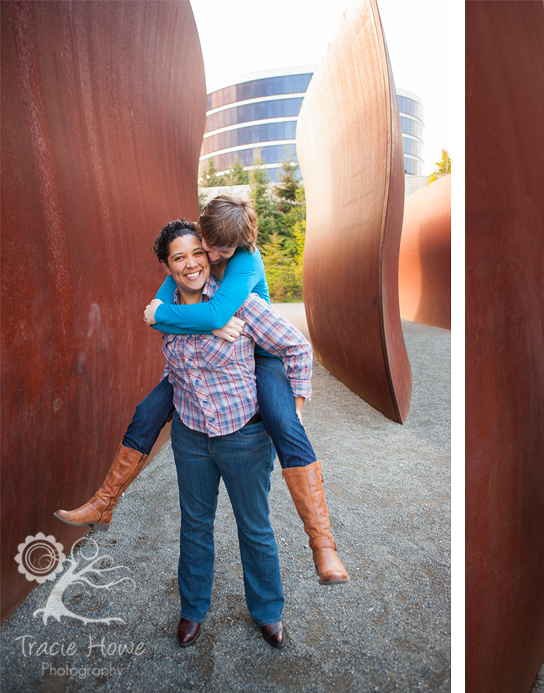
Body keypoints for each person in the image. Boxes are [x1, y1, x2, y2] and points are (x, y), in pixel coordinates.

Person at [55, 194, 348, 586]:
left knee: (285, 422)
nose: (209, 254)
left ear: (239, 245)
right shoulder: (196, 248)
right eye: (204, 244)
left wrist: (296, 400)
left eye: (216, 249)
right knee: (147, 412)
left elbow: (213, 313)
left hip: (261, 352)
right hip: (212, 356)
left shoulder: (243, 260)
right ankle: (104, 502)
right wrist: (185, 319)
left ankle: (322, 544)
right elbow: (161, 309)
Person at [148, 219, 312, 647]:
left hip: (244, 435)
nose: (190, 264)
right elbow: (175, 366)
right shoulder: (164, 314)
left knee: (254, 526)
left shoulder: (237, 300)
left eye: (196, 254)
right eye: (178, 258)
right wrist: (205, 326)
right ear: (167, 267)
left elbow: (295, 345)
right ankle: (192, 609)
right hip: (191, 436)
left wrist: (295, 406)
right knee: (195, 525)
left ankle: (267, 610)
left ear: (208, 255)